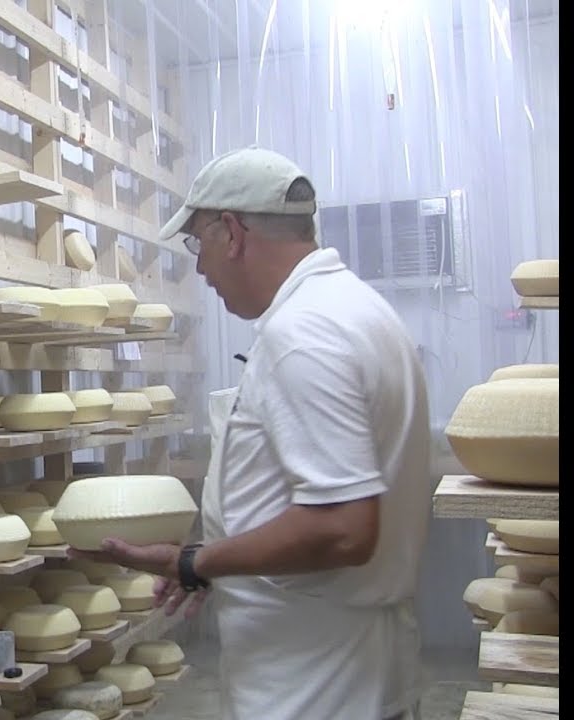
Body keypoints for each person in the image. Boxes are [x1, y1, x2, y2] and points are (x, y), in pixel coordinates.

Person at [70, 146, 431, 720]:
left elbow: (342, 529)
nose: (200, 268)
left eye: (198, 243)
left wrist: (196, 563)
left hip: (313, 685)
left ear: (231, 233)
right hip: (350, 659)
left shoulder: (305, 333)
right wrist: (216, 559)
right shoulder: (360, 309)